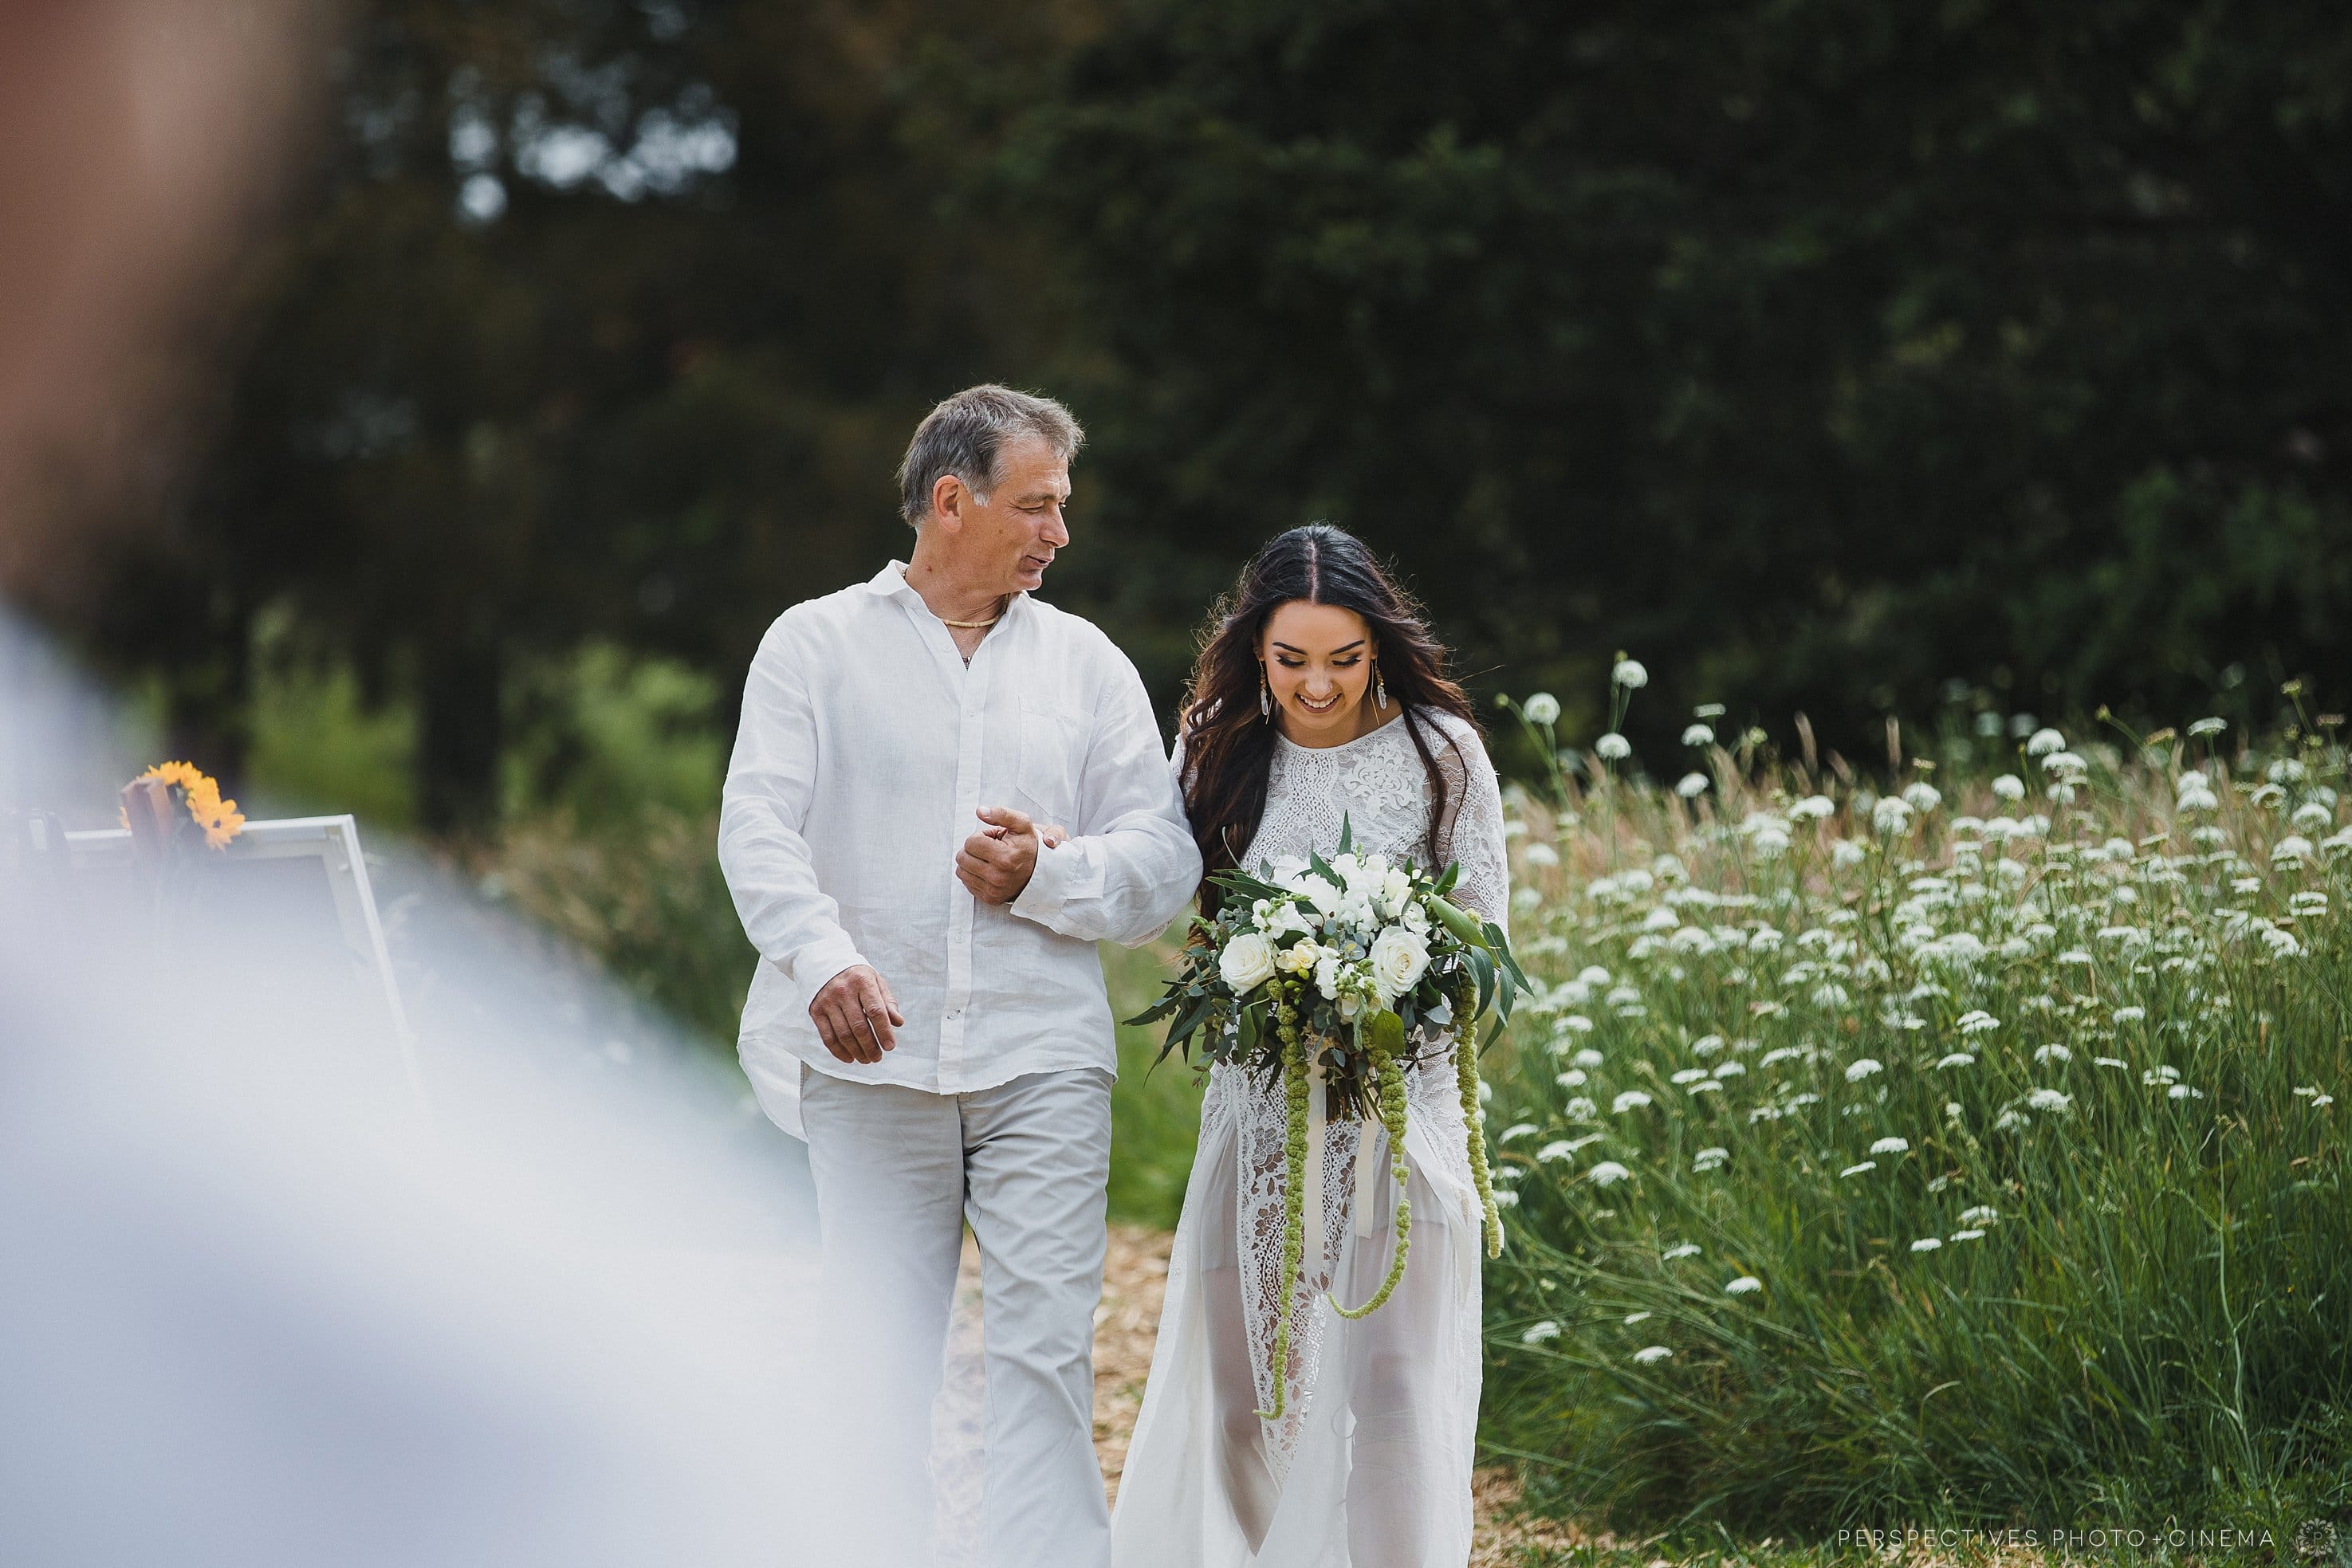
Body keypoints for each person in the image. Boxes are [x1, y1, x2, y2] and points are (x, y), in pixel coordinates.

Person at [718, 384, 1202, 1568]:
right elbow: (756, 828)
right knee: (878, 1351)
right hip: (868, 1062)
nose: (1058, 533)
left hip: (1043, 1056)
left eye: (1062, 507)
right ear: (951, 501)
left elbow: (1161, 859)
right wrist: (823, 959)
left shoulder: (1086, 665)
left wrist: (1046, 871)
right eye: (1036, 506)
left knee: (1042, 1349)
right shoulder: (813, 643)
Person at [1111, 524, 1508, 1567]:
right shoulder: (1211, 738)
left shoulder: (1439, 753)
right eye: (1291, 661)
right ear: (1253, 649)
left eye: (1343, 660)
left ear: (1378, 647)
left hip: (1399, 1112)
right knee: (1249, 1392)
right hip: (1259, 1112)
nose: (1317, 687)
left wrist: (1392, 981)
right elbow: (1167, 900)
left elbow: (1486, 937)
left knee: (1390, 1389)